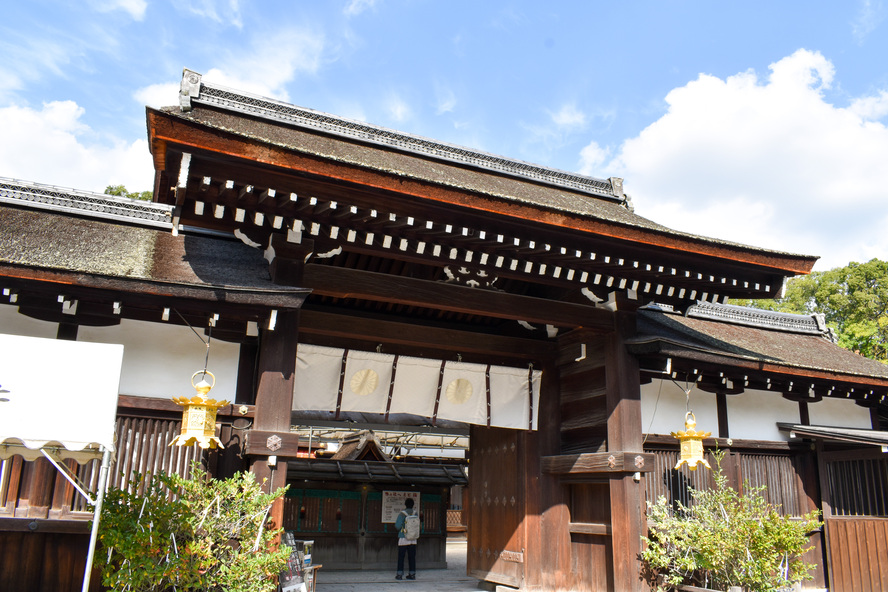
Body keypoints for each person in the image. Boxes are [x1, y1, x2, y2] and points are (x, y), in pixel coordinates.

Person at [394, 497, 418, 580]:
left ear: (405, 504)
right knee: (412, 557)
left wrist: (403, 529)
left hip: (403, 538)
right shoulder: (415, 513)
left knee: (401, 557)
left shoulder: (402, 514)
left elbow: (397, 526)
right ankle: (412, 574)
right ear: (413, 505)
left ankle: (399, 574)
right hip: (413, 539)